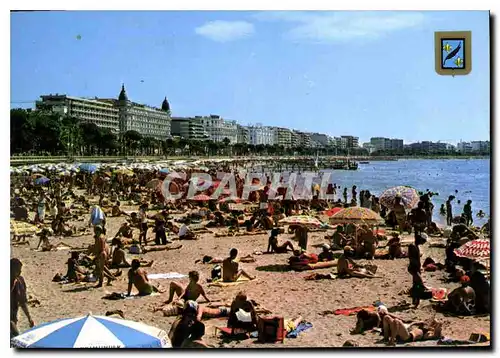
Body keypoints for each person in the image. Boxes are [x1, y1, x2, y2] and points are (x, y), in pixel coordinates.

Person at [11, 258, 35, 338]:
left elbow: (22, 302)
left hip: (13, 316)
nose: (20, 272)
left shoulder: (19, 282)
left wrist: (29, 318)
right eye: (17, 270)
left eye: (20, 270)